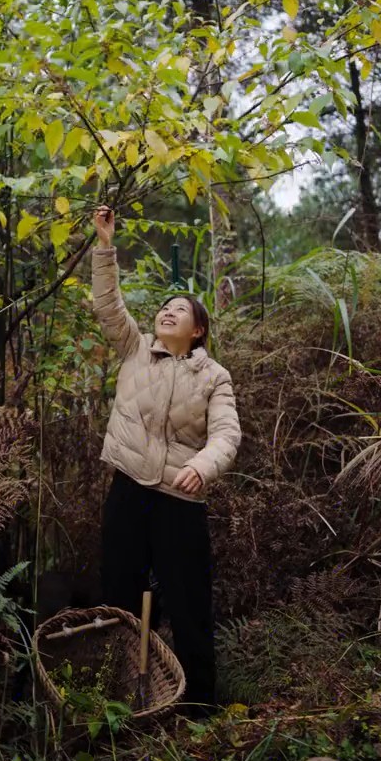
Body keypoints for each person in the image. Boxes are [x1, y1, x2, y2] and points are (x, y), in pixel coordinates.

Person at [91, 204, 242, 718]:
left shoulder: (214, 376)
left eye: (181, 309)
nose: (168, 311)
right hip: (129, 492)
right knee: (119, 601)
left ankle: (200, 710)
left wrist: (204, 465)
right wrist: (105, 246)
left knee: (189, 604)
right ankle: (122, 704)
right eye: (165, 307)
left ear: (198, 329)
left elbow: (226, 433)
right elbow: (109, 305)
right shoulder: (136, 350)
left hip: (180, 499)